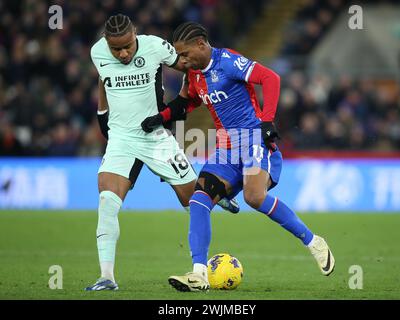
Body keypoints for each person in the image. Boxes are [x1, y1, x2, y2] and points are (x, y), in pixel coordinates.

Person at [141, 22, 335, 292]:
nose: (181, 61)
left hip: (254, 138)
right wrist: (159, 118)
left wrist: (267, 121)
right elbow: (187, 103)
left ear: (201, 44)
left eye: (185, 54)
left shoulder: (228, 62)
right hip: (226, 148)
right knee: (198, 200)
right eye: (179, 56)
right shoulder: (193, 76)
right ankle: (199, 274)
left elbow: (271, 78)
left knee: (254, 197)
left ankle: (313, 241)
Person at [86, 15, 238, 291]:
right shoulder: (97, 52)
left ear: (135, 35)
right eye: (115, 48)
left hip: (156, 137)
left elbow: (188, 65)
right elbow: (103, 78)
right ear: (106, 43)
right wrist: (101, 110)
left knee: (193, 200)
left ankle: (219, 194)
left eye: (127, 46)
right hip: (121, 139)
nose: (122, 53)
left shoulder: (155, 46)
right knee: (107, 202)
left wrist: (180, 101)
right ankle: (106, 277)